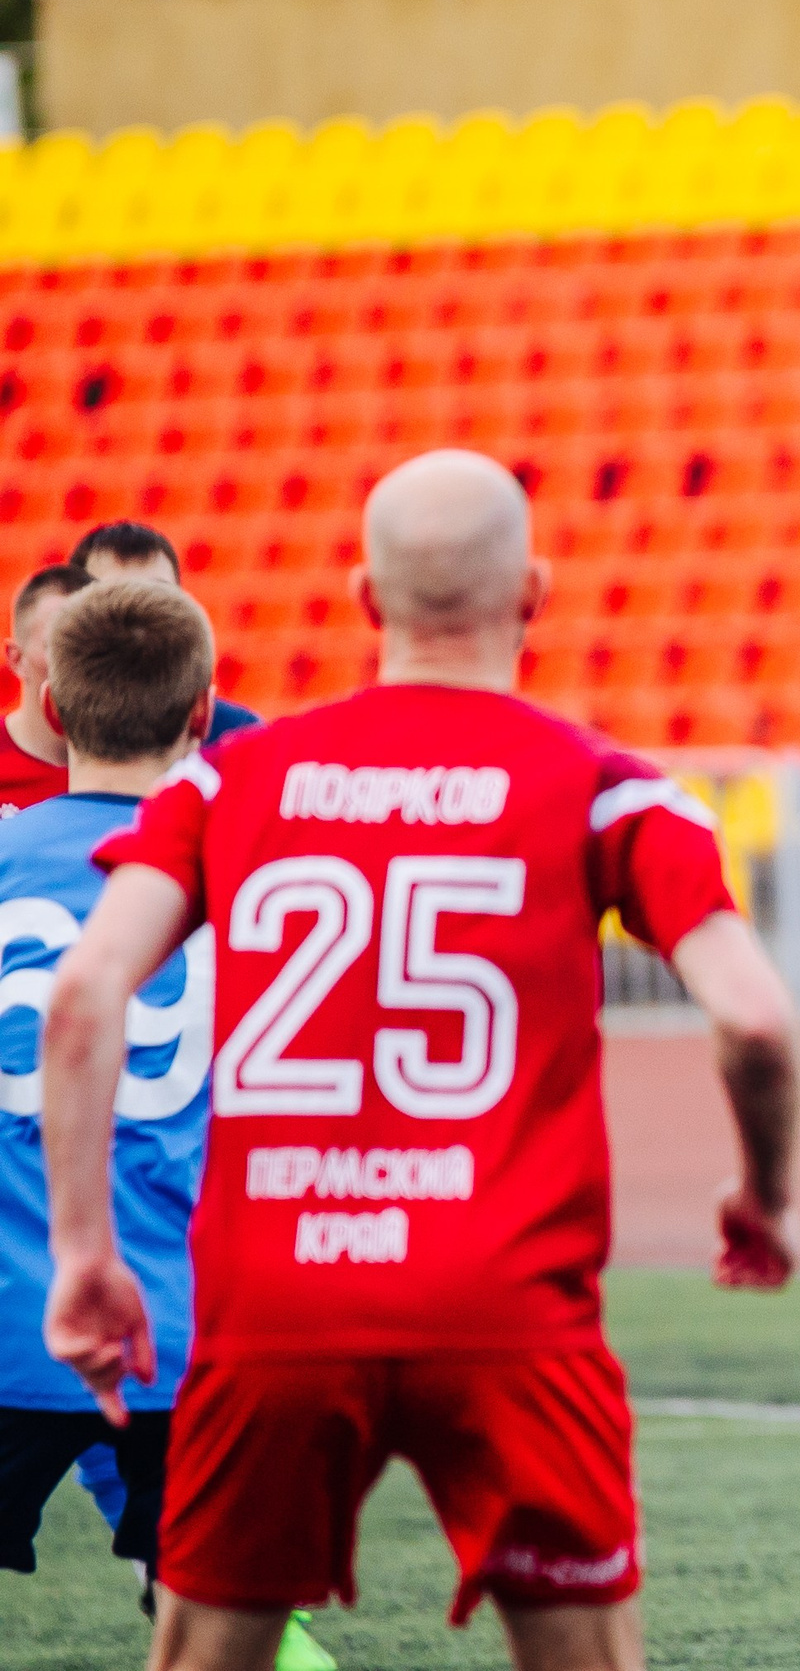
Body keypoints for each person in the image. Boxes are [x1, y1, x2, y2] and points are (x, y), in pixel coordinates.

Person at [40, 449, 800, 1671]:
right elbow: (755, 1018)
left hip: (277, 1302)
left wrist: (86, 1253)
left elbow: (84, 997)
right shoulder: (612, 791)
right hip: (506, 1308)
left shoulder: (227, 780)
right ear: (536, 594)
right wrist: (762, 1200)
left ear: (361, 598)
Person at [0, 582, 333, 1671]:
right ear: (204, 715)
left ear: (45, 705)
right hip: (197, 1336)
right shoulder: (264, 882)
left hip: (13, 1314)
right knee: (218, 1627)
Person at [69, 522, 261, 744]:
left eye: (159, 597)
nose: (140, 617)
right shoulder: (51, 739)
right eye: (115, 598)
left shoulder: (236, 735)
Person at [1, 566, 93, 817]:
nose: (79, 660)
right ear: (16, 659)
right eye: (60, 644)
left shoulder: (138, 766)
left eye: (94, 645)